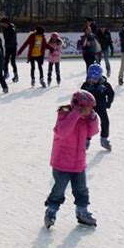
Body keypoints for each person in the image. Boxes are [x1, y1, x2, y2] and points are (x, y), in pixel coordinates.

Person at [44, 90, 99, 229]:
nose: (88, 111)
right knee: (59, 189)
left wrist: (92, 118)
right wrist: (75, 114)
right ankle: (51, 211)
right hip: (62, 163)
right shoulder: (64, 115)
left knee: (81, 190)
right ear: (77, 106)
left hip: (78, 162)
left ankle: (82, 212)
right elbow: (62, 132)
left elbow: (92, 132)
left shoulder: (85, 119)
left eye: (91, 109)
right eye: (86, 108)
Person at [81, 64, 115, 151]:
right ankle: (86, 139)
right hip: (89, 107)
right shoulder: (86, 85)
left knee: (105, 121)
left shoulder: (105, 85)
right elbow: (80, 95)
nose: (92, 80)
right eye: (90, 78)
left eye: (95, 79)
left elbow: (111, 94)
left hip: (100, 105)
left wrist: (108, 102)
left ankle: (104, 138)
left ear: (99, 77)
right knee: (88, 123)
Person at [0, 18, 18, 82]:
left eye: (2, 24)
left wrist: (9, 44)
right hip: (7, 47)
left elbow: (12, 39)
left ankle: (15, 75)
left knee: (12, 61)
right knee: (5, 61)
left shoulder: (12, 29)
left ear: (6, 23)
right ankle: (6, 73)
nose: (1, 25)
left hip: (13, 47)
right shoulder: (4, 29)